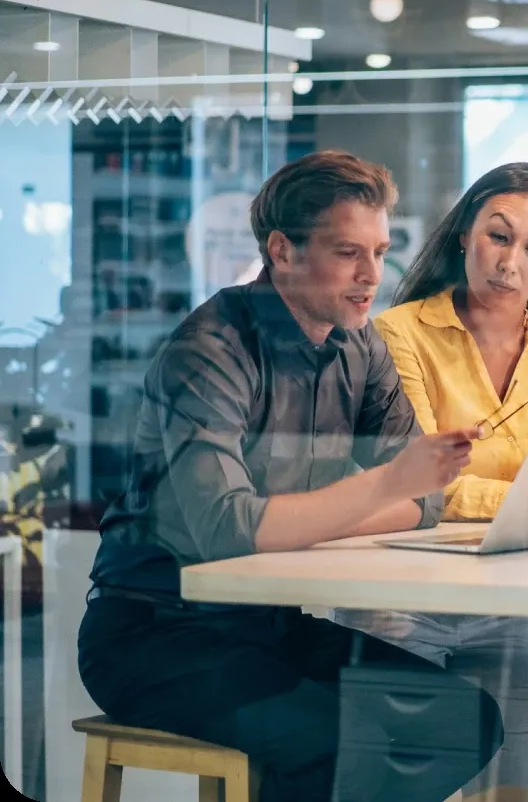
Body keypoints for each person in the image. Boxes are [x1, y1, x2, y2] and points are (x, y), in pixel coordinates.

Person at [77, 151, 503, 802]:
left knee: (468, 722)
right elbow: (230, 529)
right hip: (154, 635)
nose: (371, 276)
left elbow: (430, 494)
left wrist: (329, 509)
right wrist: (382, 487)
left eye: (381, 251)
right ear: (282, 250)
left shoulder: (359, 344)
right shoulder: (208, 351)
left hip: (268, 623)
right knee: (334, 747)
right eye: (347, 253)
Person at [335, 161, 528, 794]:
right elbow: (422, 488)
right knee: (396, 782)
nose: (511, 262)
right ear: (464, 234)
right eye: (498, 236)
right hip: (404, 593)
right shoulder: (399, 332)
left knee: (515, 781)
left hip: (510, 592)